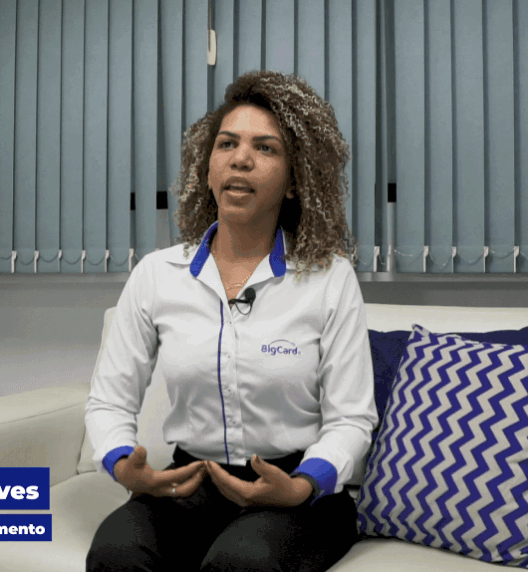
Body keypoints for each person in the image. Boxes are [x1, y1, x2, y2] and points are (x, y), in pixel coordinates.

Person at [85, 70, 376, 572]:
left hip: (295, 489)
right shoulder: (156, 275)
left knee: (240, 564)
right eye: (227, 144)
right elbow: (109, 401)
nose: (241, 158)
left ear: (294, 181)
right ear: (207, 170)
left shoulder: (330, 278)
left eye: (266, 148)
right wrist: (121, 463)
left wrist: (304, 483)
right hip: (191, 482)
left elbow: (351, 418)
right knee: (115, 555)